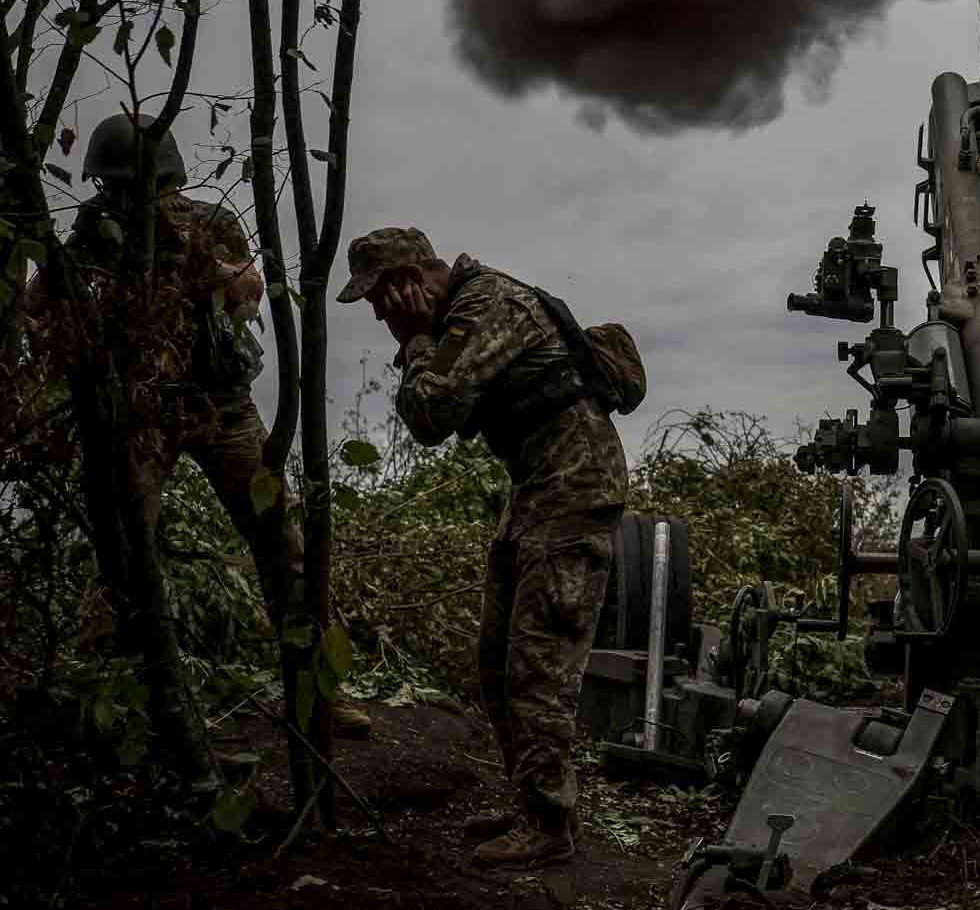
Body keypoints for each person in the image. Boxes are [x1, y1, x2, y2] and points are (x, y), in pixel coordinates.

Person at [34, 113, 371, 739]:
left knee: (282, 541)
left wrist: (194, 262)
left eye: (135, 187)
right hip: (143, 411)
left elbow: (248, 294)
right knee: (124, 547)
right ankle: (126, 696)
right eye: (114, 188)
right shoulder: (91, 235)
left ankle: (319, 691)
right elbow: (42, 308)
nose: (125, 198)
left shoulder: (210, 222)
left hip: (221, 403)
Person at [340, 226, 627, 869]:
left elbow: (430, 415)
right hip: (538, 491)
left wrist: (415, 339)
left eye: (380, 297)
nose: (380, 314)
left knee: (536, 665)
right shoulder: (465, 313)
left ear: (410, 279)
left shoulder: (486, 305)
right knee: (496, 661)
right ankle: (534, 805)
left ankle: (549, 827)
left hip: (573, 492)